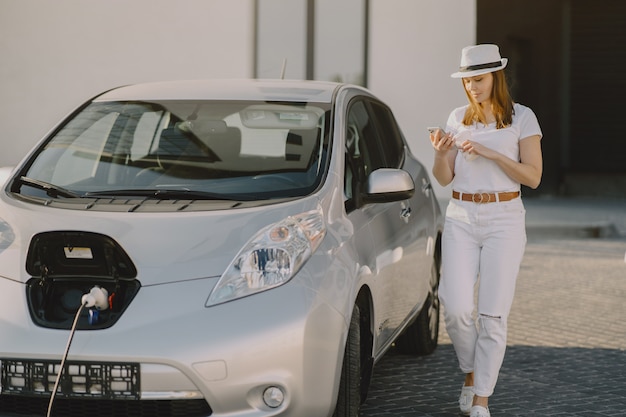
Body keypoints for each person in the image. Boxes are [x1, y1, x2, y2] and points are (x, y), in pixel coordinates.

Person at [429, 44, 543, 417]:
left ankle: (481, 400)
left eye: (478, 79)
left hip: (505, 219)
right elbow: (444, 179)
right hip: (461, 215)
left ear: (496, 77)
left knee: (492, 316)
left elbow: (534, 177)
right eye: (467, 81)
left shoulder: (522, 118)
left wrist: (492, 152)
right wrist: (441, 153)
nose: (472, 88)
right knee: (455, 305)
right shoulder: (457, 116)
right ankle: (471, 371)